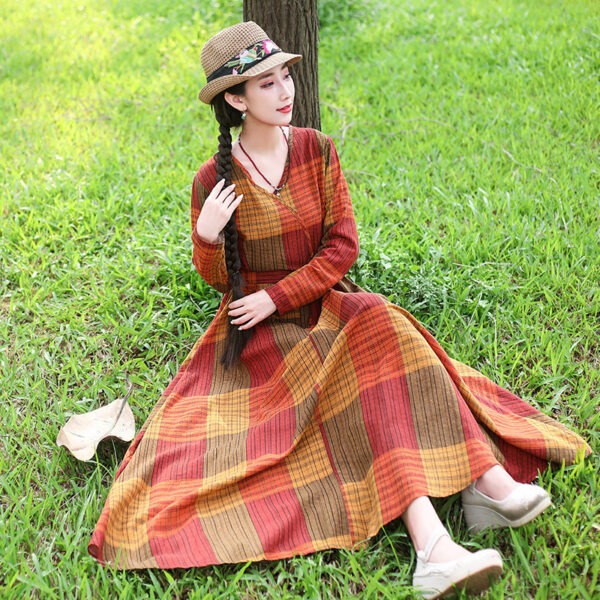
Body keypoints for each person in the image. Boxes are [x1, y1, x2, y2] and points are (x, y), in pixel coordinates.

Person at [88, 22, 590, 598]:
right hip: (263, 338)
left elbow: (342, 246)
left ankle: (481, 492)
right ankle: (441, 539)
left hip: (324, 306)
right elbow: (218, 278)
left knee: (378, 319)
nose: (285, 92)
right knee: (366, 370)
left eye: (285, 76)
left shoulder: (317, 151)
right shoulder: (214, 180)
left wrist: (282, 293)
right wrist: (206, 237)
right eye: (266, 84)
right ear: (234, 99)